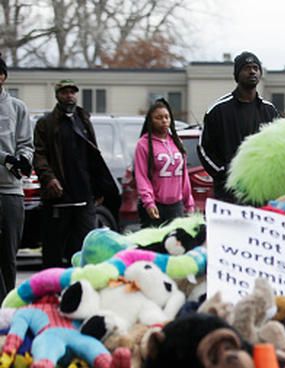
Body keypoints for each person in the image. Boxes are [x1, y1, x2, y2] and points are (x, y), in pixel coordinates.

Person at [33, 79, 118, 268]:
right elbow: (39, 156)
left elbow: (93, 154)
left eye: (72, 92)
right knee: (54, 251)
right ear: (57, 95)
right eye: (65, 92)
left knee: (83, 248)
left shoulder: (83, 120)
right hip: (59, 197)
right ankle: (53, 290)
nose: (69, 95)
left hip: (84, 197)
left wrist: (98, 188)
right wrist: (49, 179)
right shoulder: (46, 123)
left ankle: (80, 287)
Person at [198, 51, 278, 202]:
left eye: (255, 67)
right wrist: (223, 172)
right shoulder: (218, 109)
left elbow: (278, 148)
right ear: (237, 74)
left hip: (261, 192)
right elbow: (204, 148)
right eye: (247, 68)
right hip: (228, 193)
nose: (252, 71)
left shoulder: (269, 110)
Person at [0, 56, 33, 297]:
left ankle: (7, 308)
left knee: (9, 256)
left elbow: (26, 143)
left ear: (3, 77)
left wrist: (23, 159)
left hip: (11, 191)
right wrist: (5, 158)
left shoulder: (18, 107)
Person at [134, 98, 194, 228]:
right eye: (158, 118)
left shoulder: (177, 142)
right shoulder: (143, 144)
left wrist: (189, 203)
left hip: (176, 206)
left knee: (175, 245)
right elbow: (141, 176)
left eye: (167, 117)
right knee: (154, 246)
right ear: (150, 121)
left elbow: (184, 176)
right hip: (155, 206)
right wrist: (149, 202)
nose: (164, 121)